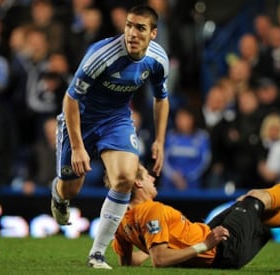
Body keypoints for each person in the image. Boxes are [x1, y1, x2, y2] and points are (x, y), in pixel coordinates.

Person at [50, 5, 169, 269]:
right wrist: (79, 146)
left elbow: (161, 99)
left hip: (116, 120)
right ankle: (58, 194)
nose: (132, 33)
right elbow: (70, 99)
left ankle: (97, 254)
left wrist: (160, 140)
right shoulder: (102, 55)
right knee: (72, 188)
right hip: (80, 118)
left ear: (153, 34)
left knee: (125, 178)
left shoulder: (158, 60)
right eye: (129, 25)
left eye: (140, 28)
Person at [112, 149, 280, 269]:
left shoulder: (121, 220)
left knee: (249, 206)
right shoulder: (151, 210)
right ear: (138, 184)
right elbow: (160, 261)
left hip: (207, 234)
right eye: (145, 174)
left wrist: (152, 248)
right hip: (220, 249)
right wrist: (204, 245)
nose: (151, 176)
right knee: (254, 198)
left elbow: (127, 263)